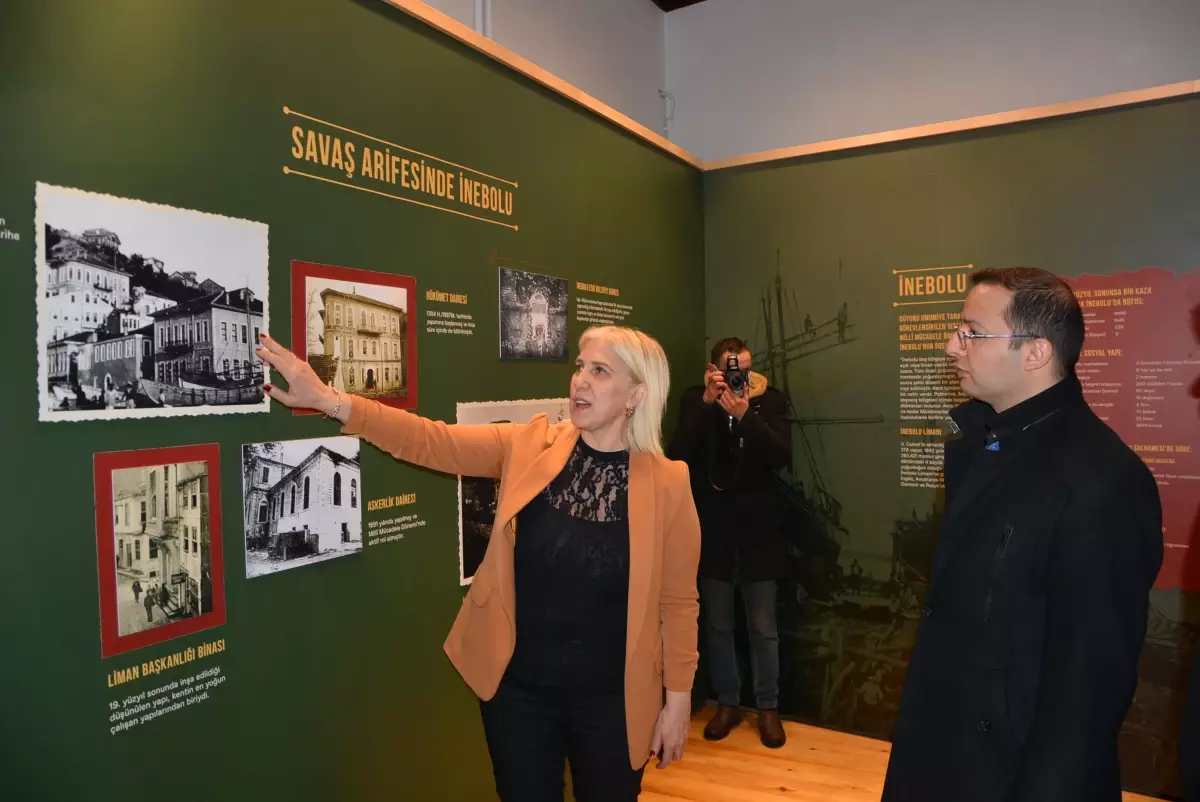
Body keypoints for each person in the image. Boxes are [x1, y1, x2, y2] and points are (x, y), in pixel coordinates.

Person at [256, 325, 701, 802]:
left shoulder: (670, 484)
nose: (580, 381)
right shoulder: (531, 445)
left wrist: (677, 702)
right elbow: (433, 441)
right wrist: (330, 400)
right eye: (579, 367)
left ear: (637, 393)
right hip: (519, 693)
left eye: (600, 371)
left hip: (612, 700)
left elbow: (678, 604)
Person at [881, 267, 1163, 802]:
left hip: (1011, 773)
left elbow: (1089, 685)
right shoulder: (975, 445)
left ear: (1034, 353)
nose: (951, 346)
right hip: (943, 748)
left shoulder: (1104, 480)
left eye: (971, 332)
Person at [667, 337, 791, 748]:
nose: (741, 378)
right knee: (718, 625)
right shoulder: (696, 400)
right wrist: (708, 403)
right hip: (714, 531)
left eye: (746, 369)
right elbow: (678, 454)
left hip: (759, 532)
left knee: (763, 627)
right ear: (713, 369)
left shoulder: (769, 401)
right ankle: (728, 703)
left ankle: (768, 707)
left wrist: (747, 417)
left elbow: (780, 456)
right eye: (732, 370)